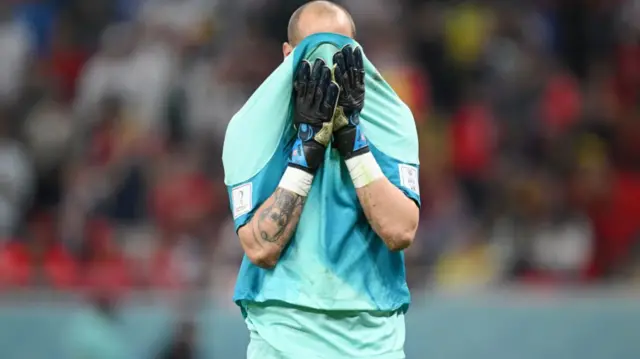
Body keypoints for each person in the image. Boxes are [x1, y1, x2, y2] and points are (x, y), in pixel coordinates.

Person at [224, 1, 420, 358]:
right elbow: (259, 248)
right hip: (282, 334)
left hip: (373, 338)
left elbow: (401, 231)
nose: (327, 59)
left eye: (339, 49)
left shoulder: (393, 121)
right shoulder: (251, 128)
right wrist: (306, 155)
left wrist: (353, 143)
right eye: (312, 48)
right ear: (288, 54)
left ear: (357, 55)